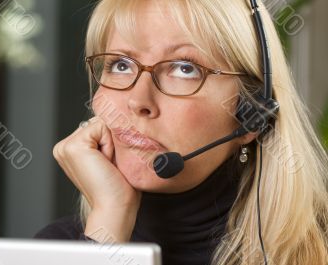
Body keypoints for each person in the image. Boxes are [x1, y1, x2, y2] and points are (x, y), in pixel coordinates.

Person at [35, 0, 328, 264]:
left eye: (184, 68)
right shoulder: (59, 248)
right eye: (120, 64)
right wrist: (109, 222)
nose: (138, 101)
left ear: (251, 114)